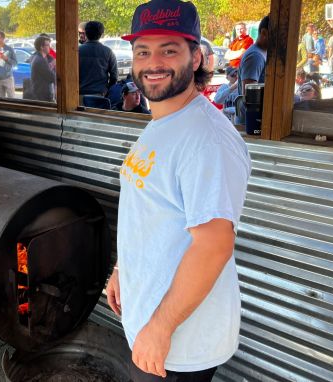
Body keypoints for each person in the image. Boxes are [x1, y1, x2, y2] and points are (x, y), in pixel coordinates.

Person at [111, 1, 251, 380]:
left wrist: (160, 329)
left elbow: (213, 245)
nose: (153, 62)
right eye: (143, 51)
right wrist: (123, 268)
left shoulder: (206, 138)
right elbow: (152, 211)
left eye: (169, 49)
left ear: (196, 56)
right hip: (152, 323)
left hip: (178, 342)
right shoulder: (164, 120)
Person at [237, 15, 270, 124]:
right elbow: (250, 98)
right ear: (264, 33)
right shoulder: (255, 56)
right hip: (251, 123)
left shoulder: (263, 52)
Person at [79, 21, 118, 96]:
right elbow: (114, 76)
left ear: (86, 33)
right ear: (101, 34)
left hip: (79, 95)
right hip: (100, 95)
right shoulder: (108, 52)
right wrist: (107, 91)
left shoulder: (77, 51)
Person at [28, 35, 56, 102]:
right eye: (48, 45)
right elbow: (52, 77)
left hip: (41, 93)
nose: (50, 47)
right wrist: (52, 65)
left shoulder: (38, 56)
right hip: (42, 95)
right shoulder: (39, 60)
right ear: (41, 47)